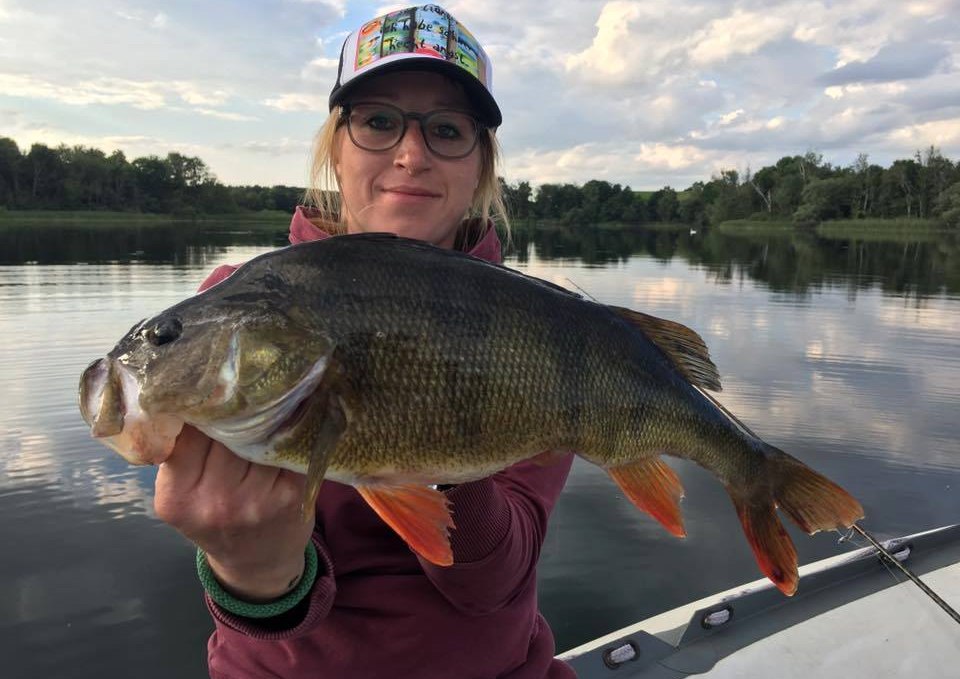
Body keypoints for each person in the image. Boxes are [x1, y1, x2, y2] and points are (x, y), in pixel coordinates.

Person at [153, 5, 576, 678]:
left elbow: (493, 583)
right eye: (379, 121)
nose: (411, 154)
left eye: (446, 130)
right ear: (336, 146)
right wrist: (252, 568)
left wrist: (442, 455)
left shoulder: (535, 326)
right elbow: (265, 597)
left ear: (481, 170)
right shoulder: (238, 308)